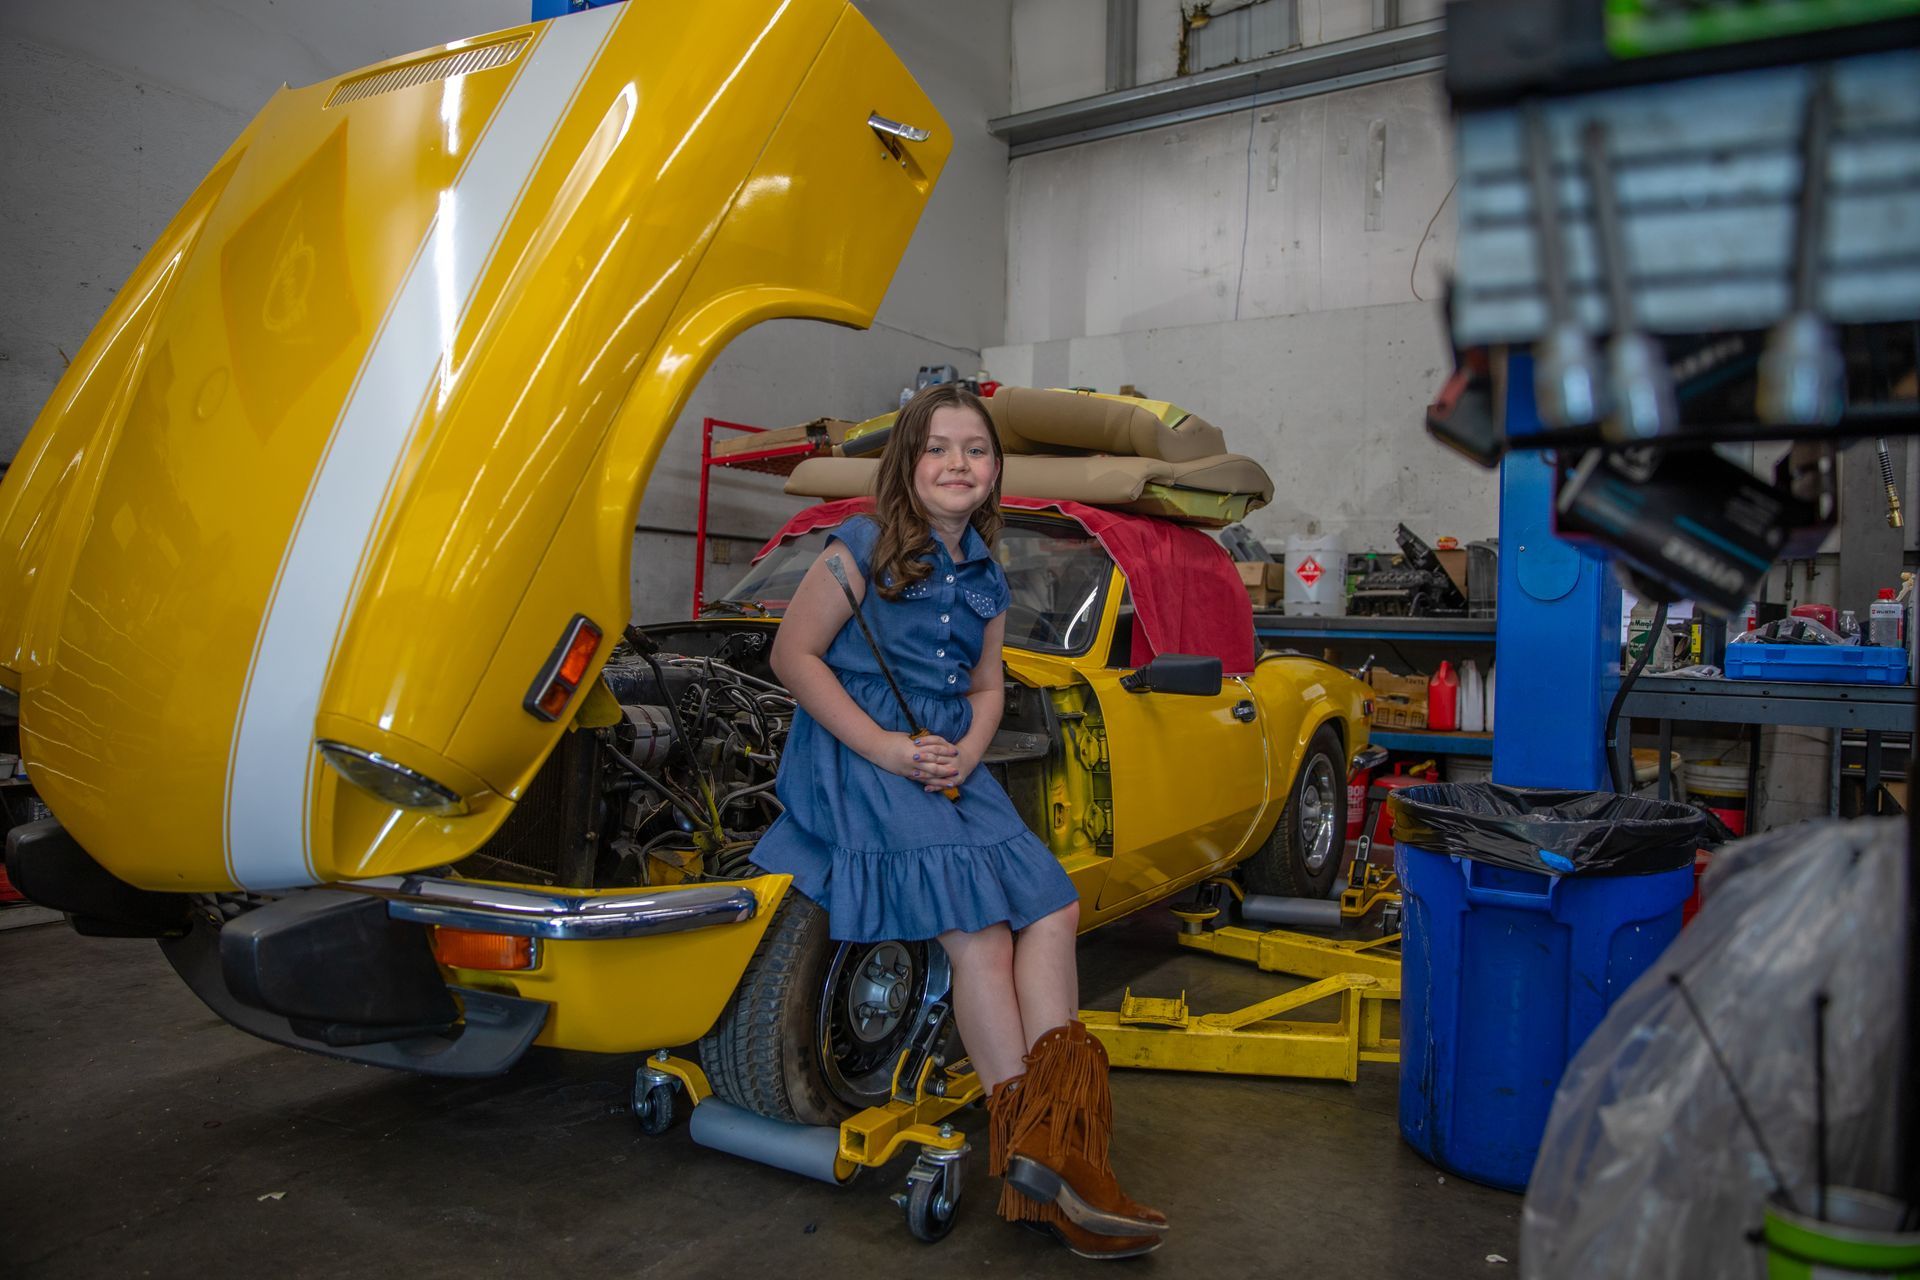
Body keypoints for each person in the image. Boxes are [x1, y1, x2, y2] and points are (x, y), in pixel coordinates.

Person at [751, 383, 1169, 1258]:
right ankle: (1035, 1145)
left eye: (975, 451)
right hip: (859, 755)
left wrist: (970, 753)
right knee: (978, 931)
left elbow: (986, 688)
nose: (957, 464)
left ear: (994, 471)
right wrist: (890, 750)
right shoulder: (859, 545)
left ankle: (1058, 1147)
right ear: (907, 463)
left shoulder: (985, 572)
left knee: (1051, 905)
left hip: (949, 762)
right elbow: (793, 654)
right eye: (938, 448)